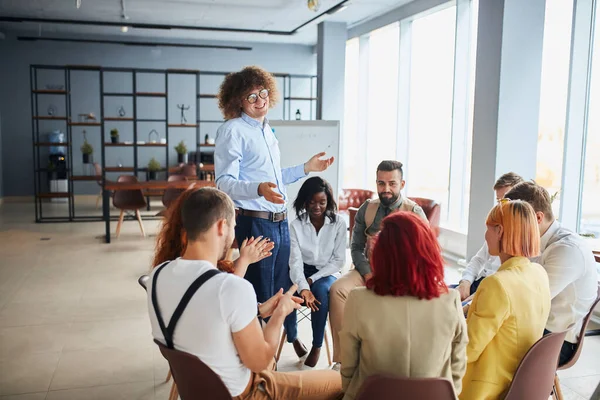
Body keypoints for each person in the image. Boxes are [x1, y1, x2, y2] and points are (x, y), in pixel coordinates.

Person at [147, 187, 343, 400]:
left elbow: (209, 320)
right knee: (341, 382)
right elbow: (260, 362)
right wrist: (280, 314)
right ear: (222, 226)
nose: (234, 233)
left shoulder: (157, 275)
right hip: (245, 394)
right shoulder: (231, 287)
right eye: (234, 226)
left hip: (196, 392)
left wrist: (258, 311)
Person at [214, 66, 334, 359]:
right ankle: (261, 362)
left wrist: (306, 169)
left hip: (280, 223)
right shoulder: (232, 130)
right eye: (251, 96)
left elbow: (275, 178)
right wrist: (259, 190)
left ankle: (288, 338)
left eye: (263, 92)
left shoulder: (267, 129)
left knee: (285, 287)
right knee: (263, 294)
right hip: (256, 224)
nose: (259, 100)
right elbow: (223, 183)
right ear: (239, 101)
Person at [339, 212, 468, 400]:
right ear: (428, 252)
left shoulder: (359, 300)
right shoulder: (451, 300)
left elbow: (348, 366)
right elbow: (458, 363)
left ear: (382, 255)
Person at [329, 160, 427, 369]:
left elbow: (426, 255)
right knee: (337, 290)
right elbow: (355, 248)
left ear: (402, 184)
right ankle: (342, 360)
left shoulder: (415, 212)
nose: (386, 189)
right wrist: (367, 274)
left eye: (392, 183)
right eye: (381, 183)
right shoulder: (367, 208)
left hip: (401, 275)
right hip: (369, 269)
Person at [460, 199, 551, 400]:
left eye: (488, 229)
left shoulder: (497, 284)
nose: (485, 236)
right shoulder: (539, 273)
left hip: (486, 389)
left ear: (499, 231)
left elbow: (467, 351)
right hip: (520, 383)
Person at [505, 181, 598, 365]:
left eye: (514, 222)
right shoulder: (538, 239)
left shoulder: (566, 250)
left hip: (556, 341)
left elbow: (528, 301)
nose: (510, 228)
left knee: (481, 345)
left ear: (538, 218)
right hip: (539, 326)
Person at [284, 177, 347, 368]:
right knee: (285, 290)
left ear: (328, 201)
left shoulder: (338, 223)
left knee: (320, 292)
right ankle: (293, 338)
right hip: (301, 270)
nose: (317, 207)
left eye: (322, 202)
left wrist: (312, 280)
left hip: (327, 272)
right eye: (312, 202)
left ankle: (317, 346)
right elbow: (294, 262)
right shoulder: (296, 225)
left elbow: (338, 261)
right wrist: (303, 287)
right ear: (305, 201)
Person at [456, 172, 524, 300]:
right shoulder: (496, 227)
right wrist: (465, 282)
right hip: (480, 283)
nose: (501, 206)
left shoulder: (522, 237)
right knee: (434, 297)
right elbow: (479, 259)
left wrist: (471, 301)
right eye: (499, 200)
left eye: (505, 200)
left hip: (493, 292)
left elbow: (504, 287)